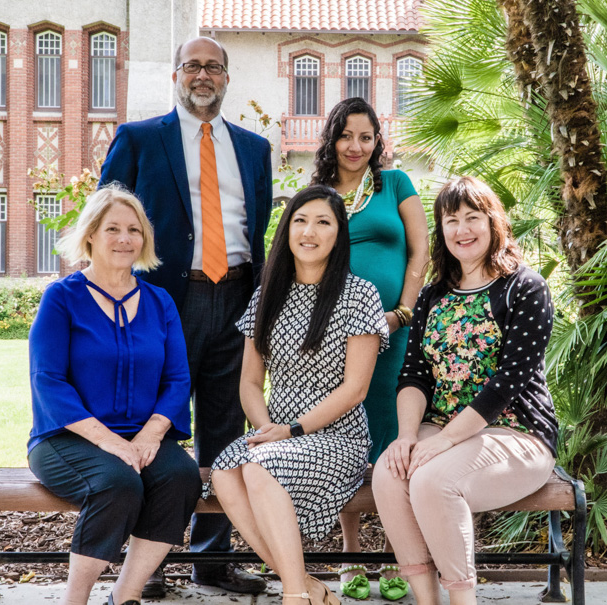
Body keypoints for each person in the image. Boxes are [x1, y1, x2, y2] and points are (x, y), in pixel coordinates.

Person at [99, 36, 273, 596]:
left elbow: (258, 228)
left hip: (240, 298)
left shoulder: (254, 149)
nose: (204, 75)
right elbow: (106, 218)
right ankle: (144, 565)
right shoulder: (139, 139)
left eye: (214, 68)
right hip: (162, 302)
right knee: (153, 427)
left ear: (227, 79)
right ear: (176, 73)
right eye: (193, 65)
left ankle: (212, 559)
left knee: (226, 432)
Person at [373, 176, 559, 605]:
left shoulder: (524, 287)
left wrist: (443, 442)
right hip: (440, 429)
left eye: (473, 218)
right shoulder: (434, 295)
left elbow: (507, 383)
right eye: (451, 220)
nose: (462, 230)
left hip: (516, 433)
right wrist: (406, 437)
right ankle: (427, 599)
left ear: (493, 223)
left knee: (432, 482)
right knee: (389, 472)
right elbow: (414, 375)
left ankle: (462, 600)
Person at [206, 185, 389, 605]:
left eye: (323, 222)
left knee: (255, 469)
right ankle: (305, 585)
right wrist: (265, 428)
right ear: (287, 229)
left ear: (338, 234)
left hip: (337, 437)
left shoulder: (359, 294)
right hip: (277, 434)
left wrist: (291, 430)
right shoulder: (267, 294)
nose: (310, 231)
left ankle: (294, 596)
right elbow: (250, 383)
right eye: (300, 220)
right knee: (223, 471)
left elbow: (355, 389)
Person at [27, 184, 202, 605]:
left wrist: (149, 436)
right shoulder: (61, 298)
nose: (125, 239)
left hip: (144, 437)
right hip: (67, 439)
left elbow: (178, 380)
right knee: (117, 483)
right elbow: (48, 380)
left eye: (134, 230)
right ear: (90, 234)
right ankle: (76, 600)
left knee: (181, 478)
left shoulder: (159, 302)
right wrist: (110, 442)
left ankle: (124, 597)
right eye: (112, 229)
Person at [310, 98, 428, 600]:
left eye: (366, 136)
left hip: (396, 330)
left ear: (378, 140)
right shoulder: (319, 194)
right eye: (346, 136)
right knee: (348, 436)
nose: (356, 146)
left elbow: (421, 250)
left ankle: (402, 557)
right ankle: (351, 556)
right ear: (332, 139)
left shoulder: (396, 184)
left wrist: (401, 310)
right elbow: (307, 255)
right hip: (340, 338)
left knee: (393, 435)